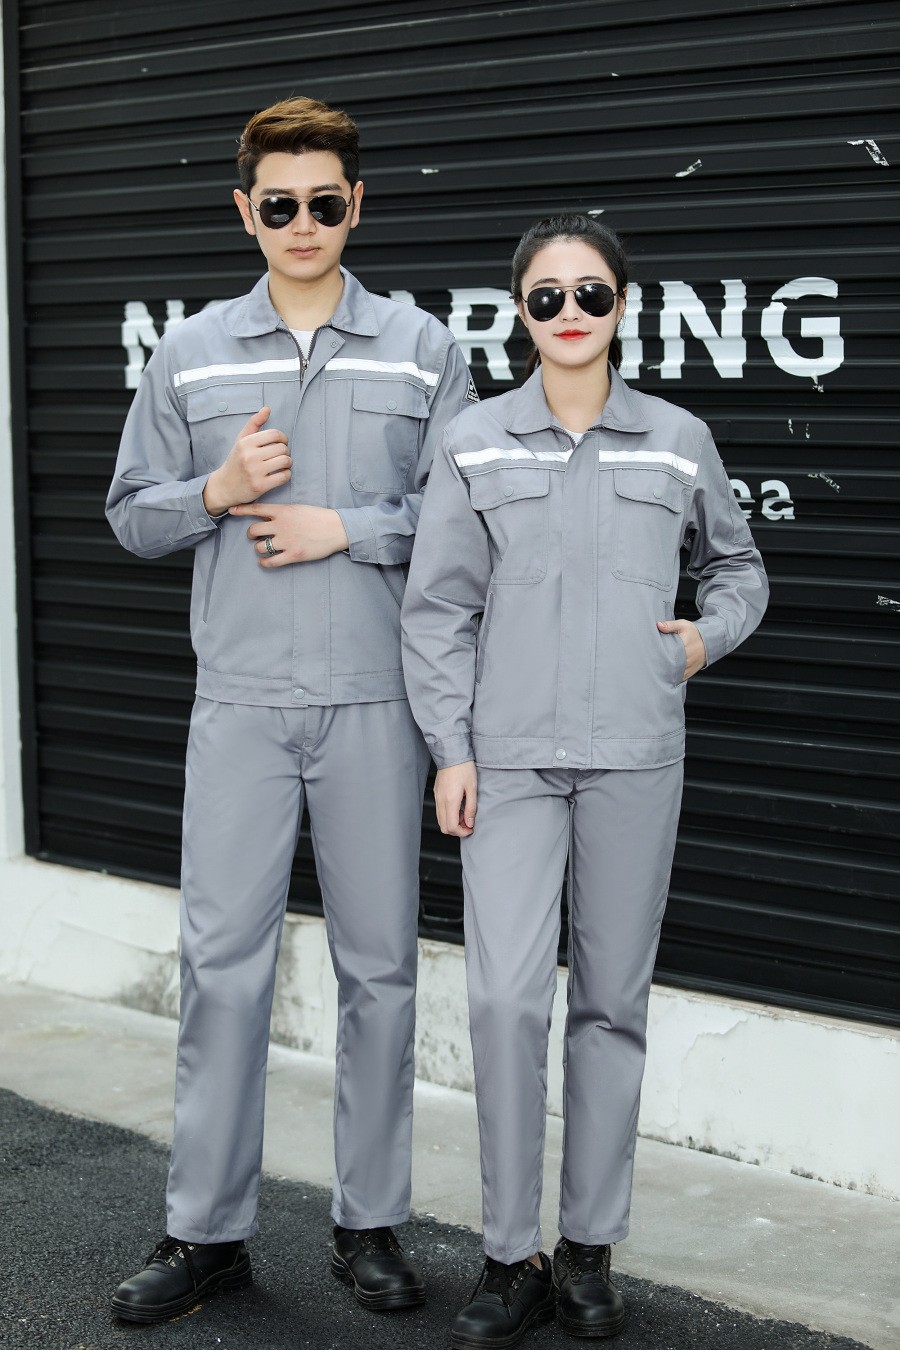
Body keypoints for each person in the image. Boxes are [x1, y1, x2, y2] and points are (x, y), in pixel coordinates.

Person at [105, 96, 475, 1324]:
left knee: (380, 973)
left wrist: (345, 527)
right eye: (280, 204)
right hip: (242, 704)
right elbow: (131, 514)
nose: (303, 223)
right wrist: (215, 490)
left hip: (376, 705)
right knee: (221, 971)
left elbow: (468, 520)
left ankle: (369, 1227)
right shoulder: (191, 351)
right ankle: (205, 1233)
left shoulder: (422, 349)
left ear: (356, 205)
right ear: (245, 210)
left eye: (324, 202)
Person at [401, 214, 768, 1347]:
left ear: (622, 305)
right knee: (507, 1002)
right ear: (520, 311)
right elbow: (436, 608)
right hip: (507, 761)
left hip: (636, 756)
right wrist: (451, 751)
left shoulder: (676, 439)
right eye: (548, 296)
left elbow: (738, 568)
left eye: (591, 294)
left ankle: (589, 1248)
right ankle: (509, 1254)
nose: (570, 313)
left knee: (611, 1003)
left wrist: (700, 640)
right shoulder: (473, 439)